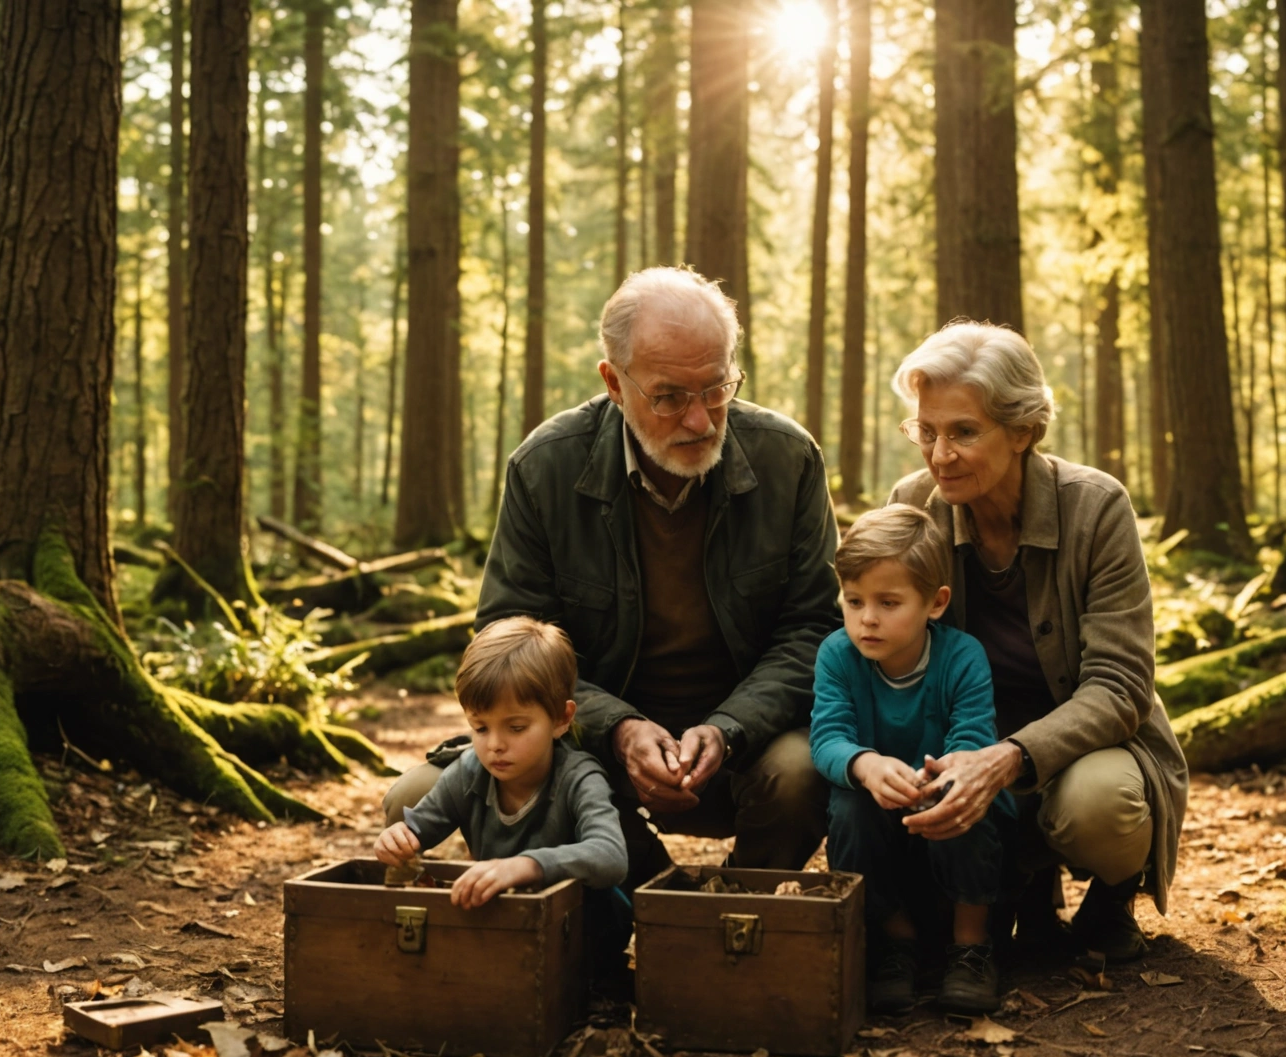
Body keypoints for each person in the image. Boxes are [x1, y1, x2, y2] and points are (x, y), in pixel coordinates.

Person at [382, 267, 839, 887]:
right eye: (670, 396)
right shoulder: (546, 467)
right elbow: (507, 630)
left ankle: (736, 917)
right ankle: (649, 899)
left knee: (802, 770)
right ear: (614, 384)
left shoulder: (788, 459)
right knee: (412, 797)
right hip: (585, 748)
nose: (702, 420)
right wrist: (618, 728)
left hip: (743, 747)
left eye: (716, 387)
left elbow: (816, 627)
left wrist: (728, 729)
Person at [882, 321, 1189, 963]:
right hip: (960, 742)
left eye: (964, 431)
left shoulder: (1096, 508)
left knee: (1097, 804)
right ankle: (1017, 889)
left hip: (1084, 748)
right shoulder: (914, 507)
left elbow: (1120, 687)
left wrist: (1008, 758)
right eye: (927, 431)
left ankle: (1111, 900)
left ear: (1023, 429)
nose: (940, 456)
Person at [811, 504, 1015, 1014]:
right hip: (879, 802)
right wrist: (865, 765)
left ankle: (971, 945)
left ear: (936, 602)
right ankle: (892, 943)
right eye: (853, 601)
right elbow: (828, 736)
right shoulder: (838, 655)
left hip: (943, 793)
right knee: (847, 806)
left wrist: (947, 774)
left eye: (888, 602)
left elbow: (972, 735)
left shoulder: (961, 656)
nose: (868, 619)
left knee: (964, 796)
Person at [373, 617, 632, 974]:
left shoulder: (579, 777)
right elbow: (416, 831)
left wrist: (527, 865)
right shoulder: (467, 771)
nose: (495, 745)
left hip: (578, 928)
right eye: (480, 727)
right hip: (501, 923)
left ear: (560, 719)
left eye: (516, 727)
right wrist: (396, 839)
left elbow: (611, 856)